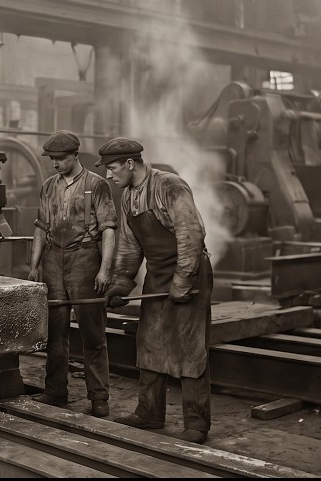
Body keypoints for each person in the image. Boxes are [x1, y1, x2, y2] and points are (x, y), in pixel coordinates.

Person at [97, 137, 213, 443]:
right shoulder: (127, 197)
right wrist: (122, 282)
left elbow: (191, 234)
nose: (109, 175)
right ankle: (149, 413)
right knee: (149, 340)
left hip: (190, 270)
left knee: (189, 347)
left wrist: (183, 281)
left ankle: (197, 423)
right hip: (159, 274)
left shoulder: (169, 186)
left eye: (112, 168)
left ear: (130, 164)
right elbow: (130, 245)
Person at [26, 130, 117, 418]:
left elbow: (108, 229)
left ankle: (98, 398)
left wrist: (104, 270)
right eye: (52, 159)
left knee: (93, 334)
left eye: (60, 159)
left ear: (75, 155)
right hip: (53, 261)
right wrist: (34, 265)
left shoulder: (97, 185)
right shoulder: (49, 186)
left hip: (85, 260)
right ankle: (55, 391)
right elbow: (41, 226)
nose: (54, 164)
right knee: (55, 332)